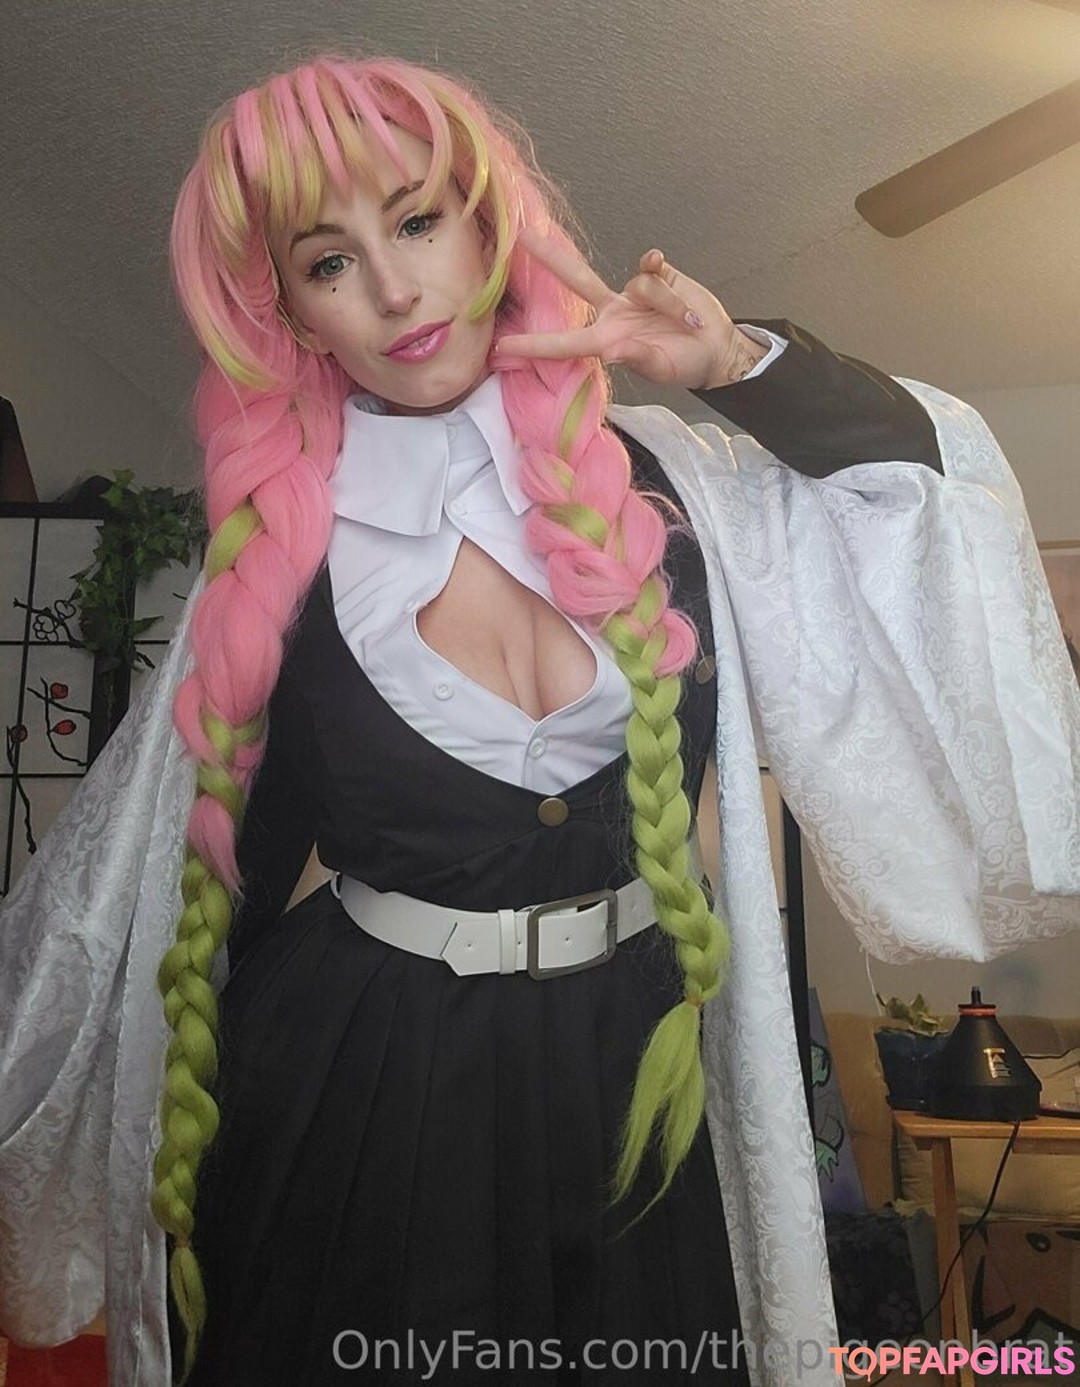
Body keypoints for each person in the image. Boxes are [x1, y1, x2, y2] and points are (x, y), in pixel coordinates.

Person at [1, 53, 1078, 1387]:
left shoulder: (679, 480)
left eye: (417, 221)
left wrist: (735, 364)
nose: (394, 290)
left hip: (641, 1074)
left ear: (488, 224)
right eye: (329, 261)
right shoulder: (280, 551)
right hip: (364, 1084)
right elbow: (202, 881)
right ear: (290, 312)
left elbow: (925, 494)